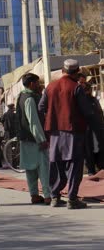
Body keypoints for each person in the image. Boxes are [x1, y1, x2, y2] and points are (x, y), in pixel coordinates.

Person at [39, 59, 98, 210]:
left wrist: (54, 116)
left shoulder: (50, 86)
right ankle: (72, 198)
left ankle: (55, 196)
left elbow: (41, 106)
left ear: (63, 71)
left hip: (55, 132)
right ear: (76, 72)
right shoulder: (76, 88)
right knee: (74, 165)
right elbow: (87, 112)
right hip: (73, 131)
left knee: (56, 164)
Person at [16, 74, 51, 205]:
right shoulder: (30, 99)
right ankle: (48, 195)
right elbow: (34, 122)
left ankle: (34, 195)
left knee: (30, 169)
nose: (39, 85)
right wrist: (41, 139)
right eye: (37, 82)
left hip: (25, 139)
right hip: (35, 140)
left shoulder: (20, 96)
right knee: (43, 169)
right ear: (31, 84)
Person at [82, 82, 104, 175]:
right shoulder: (84, 101)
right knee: (90, 150)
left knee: (95, 149)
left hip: (95, 130)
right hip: (89, 130)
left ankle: (95, 169)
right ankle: (93, 169)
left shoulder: (93, 100)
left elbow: (99, 114)